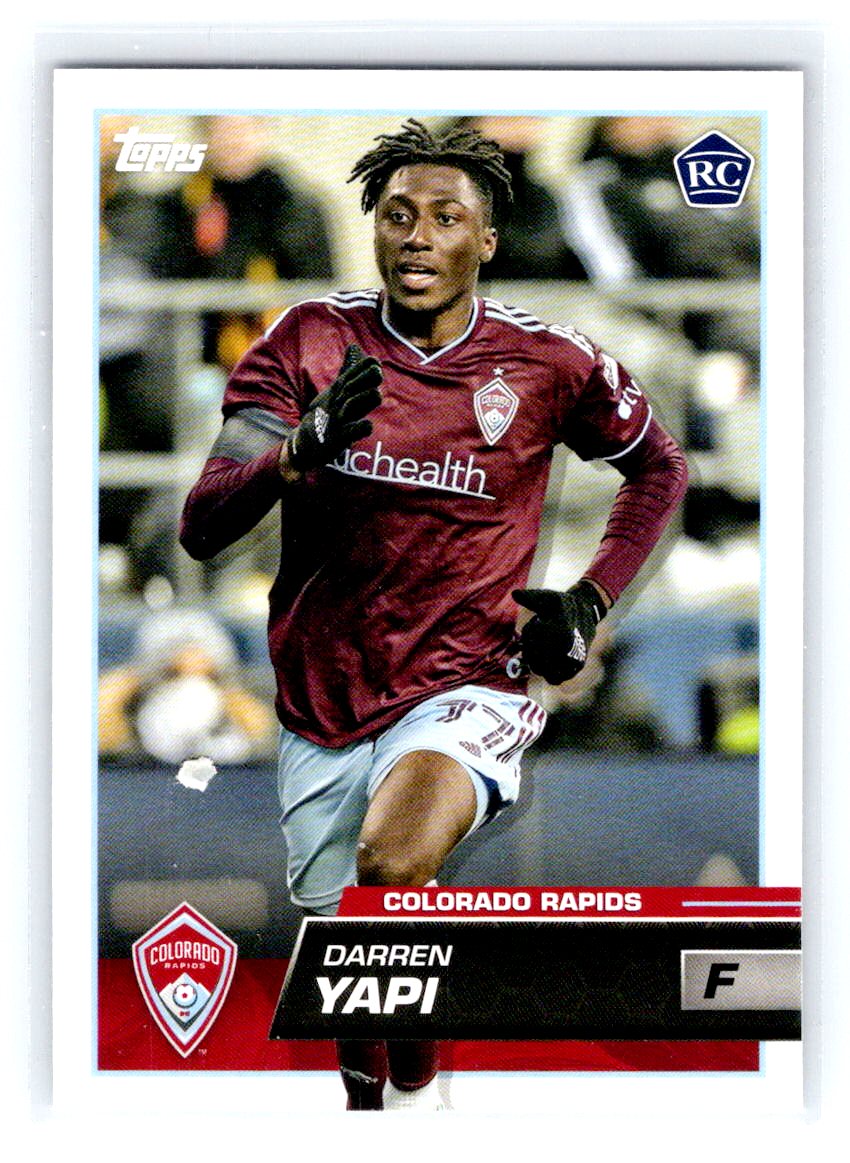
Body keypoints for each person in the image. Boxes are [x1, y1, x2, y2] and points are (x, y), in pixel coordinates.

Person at [180, 119, 689, 1110]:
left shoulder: (549, 360)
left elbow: (658, 468)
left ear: (486, 240)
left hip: (470, 678)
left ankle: (411, 1095)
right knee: (352, 941)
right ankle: (382, 1097)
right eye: (398, 214)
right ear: (373, 228)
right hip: (323, 694)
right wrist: (292, 455)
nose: (417, 236)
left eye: (446, 218)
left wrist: (591, 597)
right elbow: (203, 524)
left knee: (393, 858)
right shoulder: (308, 340)